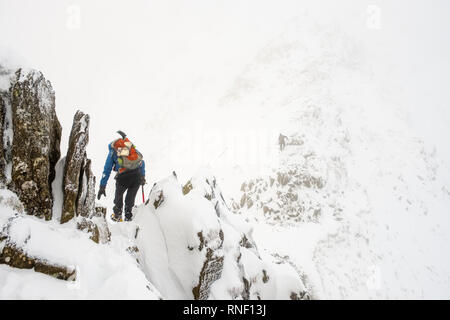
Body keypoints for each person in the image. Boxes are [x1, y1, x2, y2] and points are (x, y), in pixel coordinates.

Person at [97, 131, 146, 222]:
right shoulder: (130, 149)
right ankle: (128, 216)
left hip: (123, 178)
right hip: (136, 176)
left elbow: (107, 170)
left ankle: (117, 215)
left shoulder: (112, 152)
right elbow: (141, 162)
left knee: (118, 196)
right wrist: (142, 176)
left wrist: (102, 186)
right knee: (130, 198)